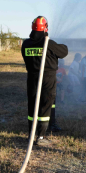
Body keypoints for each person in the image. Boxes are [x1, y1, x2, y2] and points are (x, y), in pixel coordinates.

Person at [21, 16, 68, 146]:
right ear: (45, 28)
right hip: (47, 78)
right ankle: (41, 137)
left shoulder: (25, 44)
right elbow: (64, 51)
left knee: (32, 106)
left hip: (32, 78)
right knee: (45, 105)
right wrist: (48, 37)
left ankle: (31, 134)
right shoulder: (49, 44)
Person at [48, 59, 68, 132]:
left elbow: (65, 76)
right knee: (54, 92)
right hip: (55, 82)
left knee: (63, 90)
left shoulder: (63, 69)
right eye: (61, 63)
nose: (62, 64)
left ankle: (62, 100)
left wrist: (67, 81)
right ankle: (54, 98)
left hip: (60, 82)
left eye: (63, 63)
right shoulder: (55, 68)